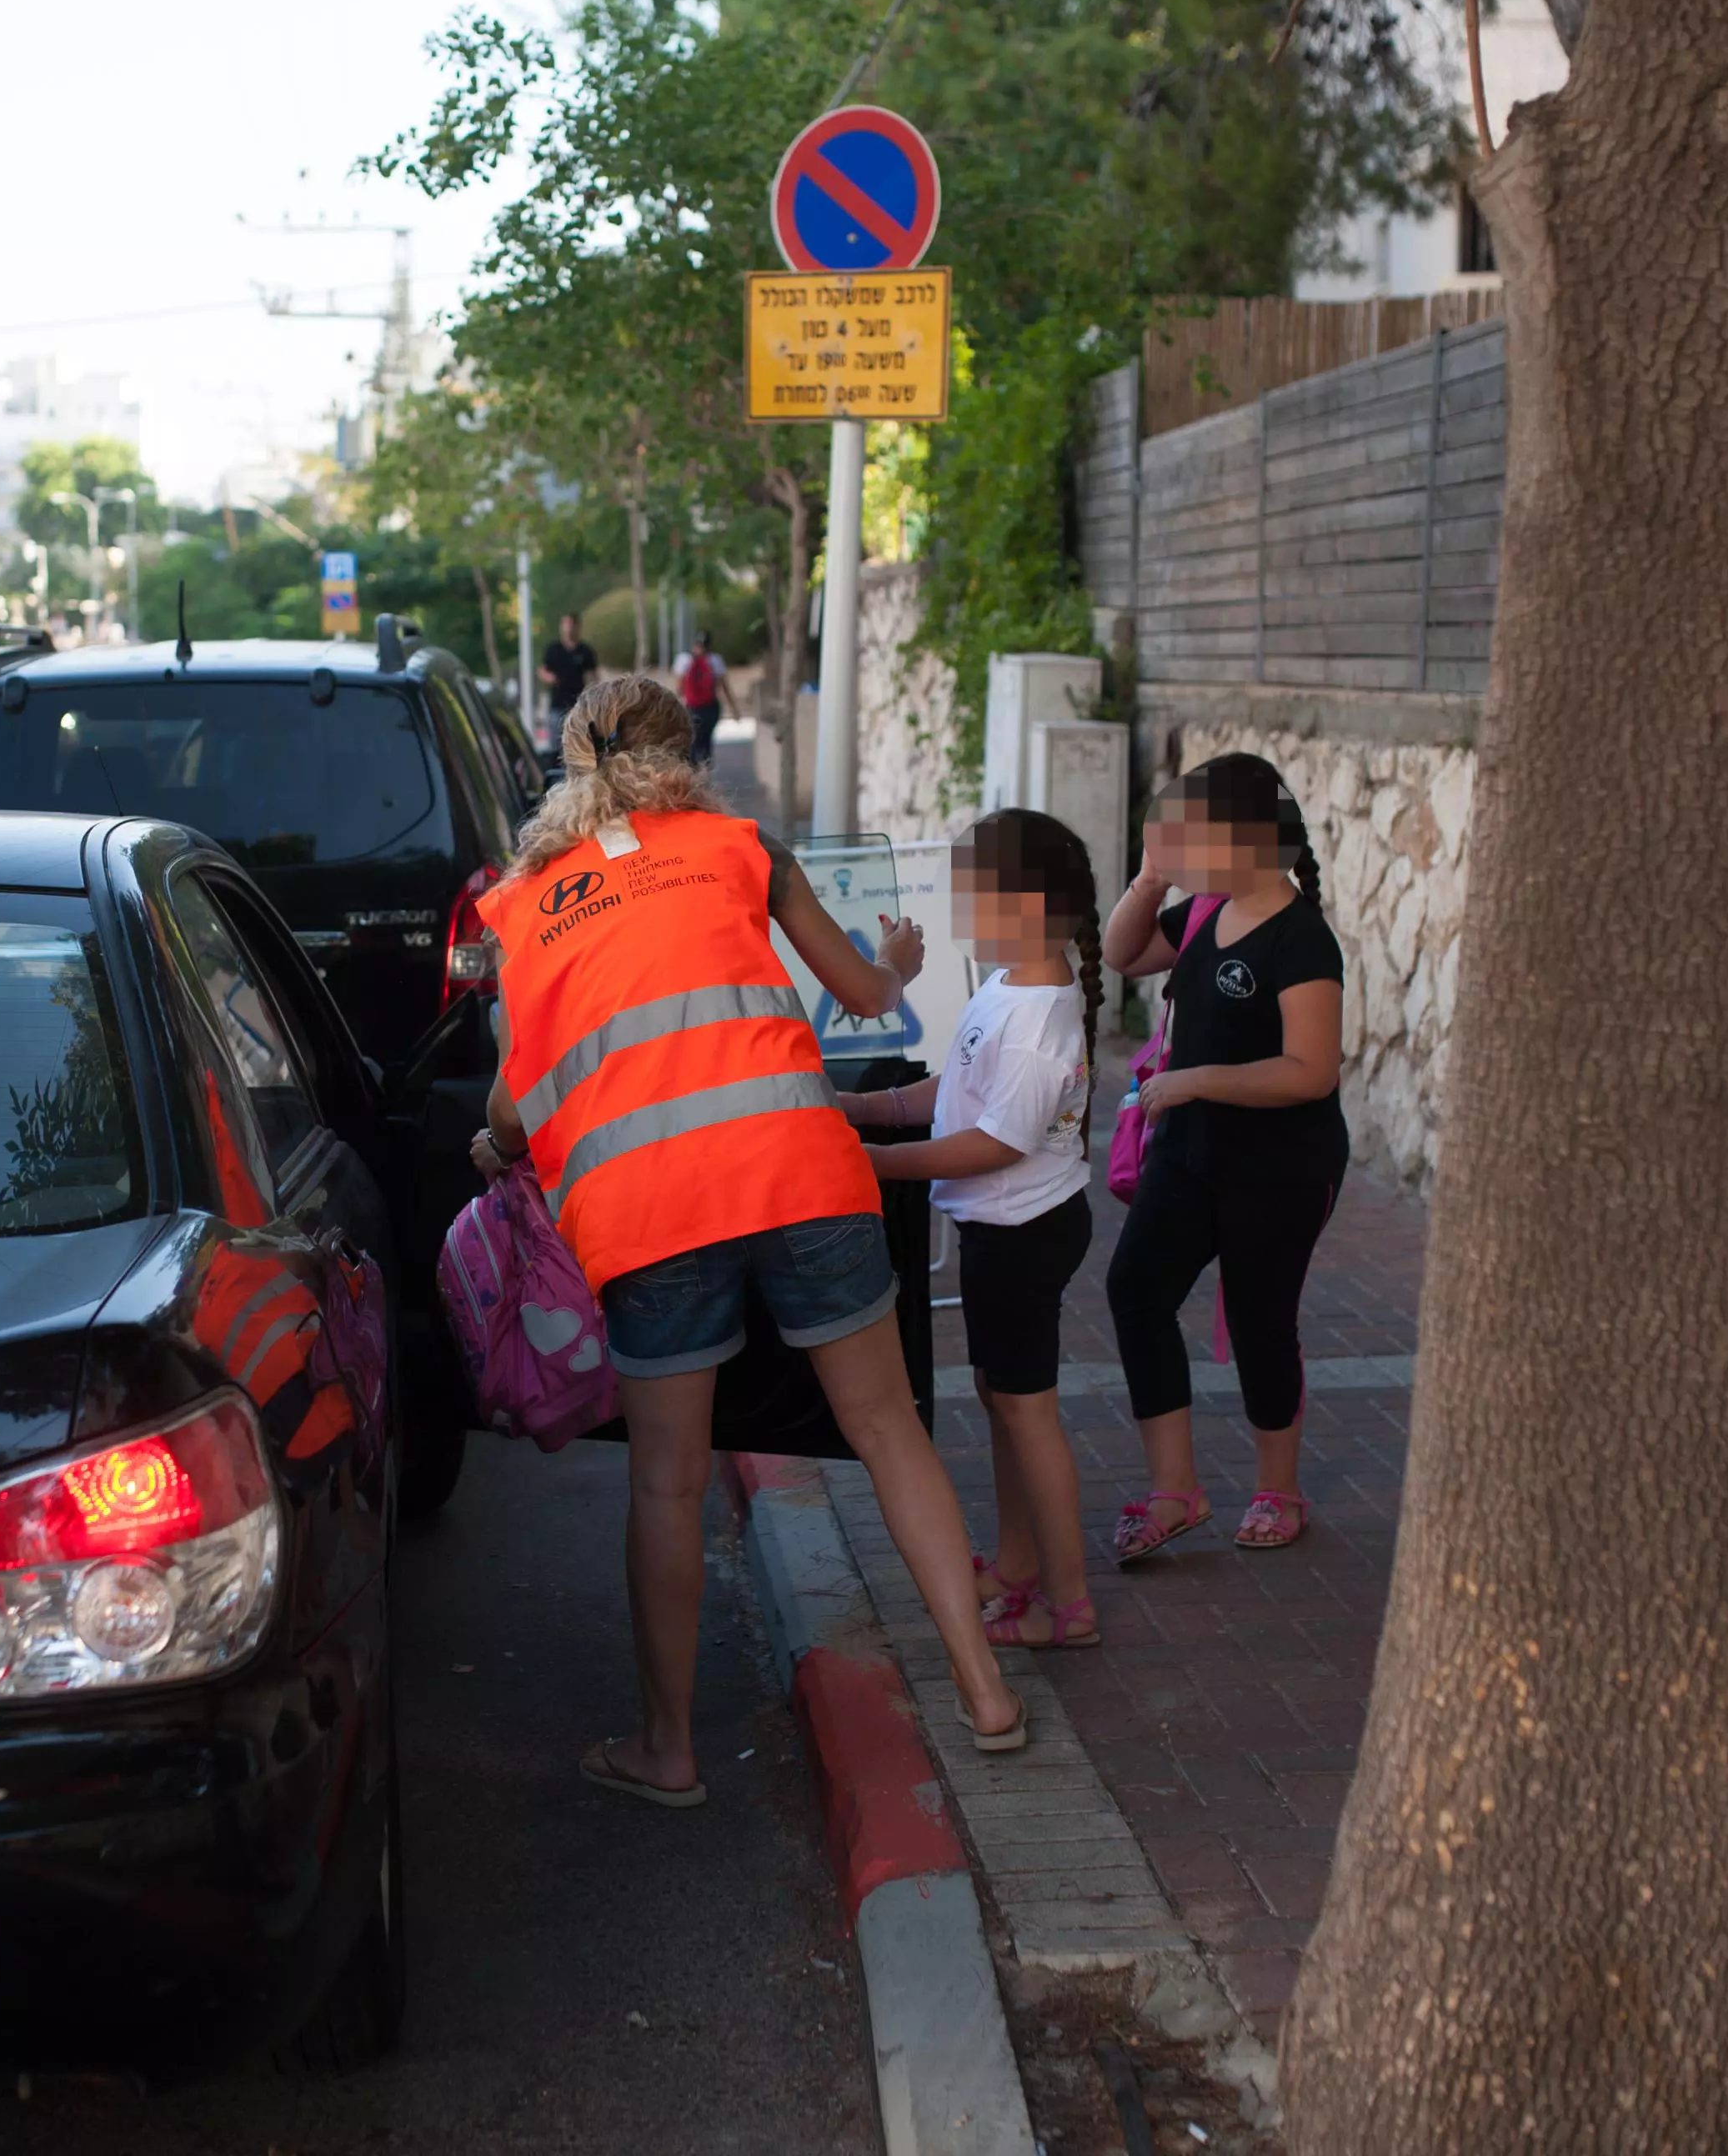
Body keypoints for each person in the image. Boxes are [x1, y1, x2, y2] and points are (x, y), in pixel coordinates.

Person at [472, 675, 1028, 1804]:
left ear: (573, 761)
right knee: (888, 1430)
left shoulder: (524, 905)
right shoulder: (742, 847)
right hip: (801, 1169)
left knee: (670, 1484)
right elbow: (866, 993)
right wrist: (902, 962)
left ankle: (668, 1750)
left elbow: (512, 1106)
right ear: (688, 754)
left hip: (649, 1211)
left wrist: (495, 1148)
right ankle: (985, 1690)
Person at [840, 809, 1103, 1648]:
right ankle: (1019, 1566)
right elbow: (948, 1094)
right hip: (1002, 1232)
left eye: (969, 892)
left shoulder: (1037, 1019)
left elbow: (992, 1142)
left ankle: (1068, 1604)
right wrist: (860, 1112)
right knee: (1003, 1401)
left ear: (1025, 906)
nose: (955, 907)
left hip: (1023, 1234)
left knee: (1026, 1412)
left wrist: (868, 1168)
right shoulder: (1006, 985)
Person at [1100, 755, 1346, 1558]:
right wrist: (1148, 881)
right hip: (1190, 1149)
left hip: (1280, 1164)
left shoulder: (1301, 939)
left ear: (1243, 839)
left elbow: (1312, 1071)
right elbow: (1123, 956)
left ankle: (1280, 1491)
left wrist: (1196, 1078)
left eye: (1190, 833)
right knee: (1136, 1290)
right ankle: (1177, 1490)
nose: (1177, 844)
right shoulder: (1206, 911)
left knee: (1259, 1321)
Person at [538, 611, 601, 727]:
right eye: (565, 624)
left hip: (578, 706)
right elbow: (542, 670)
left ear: (577, 627)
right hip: (557, 705)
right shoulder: (554, 650)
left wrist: (592, 695)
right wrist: (552, 679)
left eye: (570, 624)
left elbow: (592, 676)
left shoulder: (585, 651)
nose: (567, 629)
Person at [674, 628, 726, 767]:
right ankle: (706, 773)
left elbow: (679, 687)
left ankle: (693, 774)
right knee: (707, 741)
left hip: (691, 707)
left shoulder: (683, 660)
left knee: (692, 742)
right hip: (710, 707)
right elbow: (721, 686)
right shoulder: (715, 660)